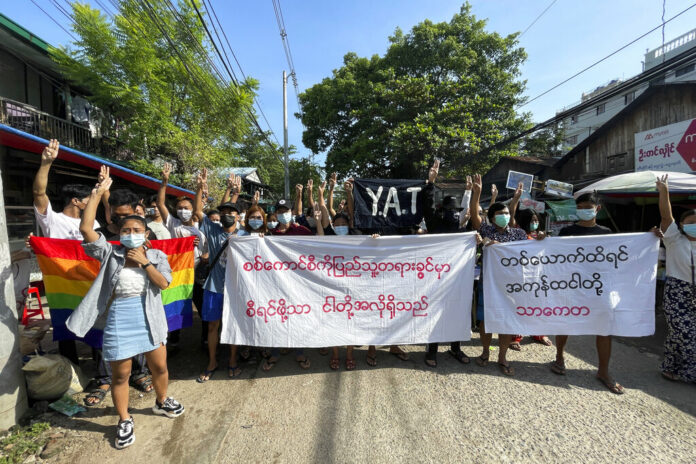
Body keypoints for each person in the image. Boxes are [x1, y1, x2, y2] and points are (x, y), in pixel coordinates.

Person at [67, 172, 184, 450]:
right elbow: (86, 230)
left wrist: (144, 263)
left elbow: (164, 283)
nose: (131, 235)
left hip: (150, 319)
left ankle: (161, 401)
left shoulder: (156, 256)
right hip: (119, 320)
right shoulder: (110, 253)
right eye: (126, 231)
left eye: (137, 231)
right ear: (119, 234)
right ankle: (124, 418)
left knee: (160, 367)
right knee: (120, 375)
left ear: (146, 233)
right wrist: (96, 194)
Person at [31, 140, 99, 371]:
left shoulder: (93, 222)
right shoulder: (52, 219)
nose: (93, 203)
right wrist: (46, 163)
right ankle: (71, 370)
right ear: (76, 201)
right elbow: (39, 192)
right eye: (89, 199)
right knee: (65, 323)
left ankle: (102, 372)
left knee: (95, 321)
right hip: (63, 281)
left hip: (91, 280)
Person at [550, 192, 624, 394]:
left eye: (588, 207)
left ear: (597, 209)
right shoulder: (566, 231)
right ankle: (559, 357)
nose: (584, 211)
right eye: (580, 207)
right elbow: (554, 255)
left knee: (604, 328)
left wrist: (651, 237)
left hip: (599, 288)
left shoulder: (606, 233)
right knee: (565, 322)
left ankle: (603, 371)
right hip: (572, 286)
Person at [88, 185, 156, 404]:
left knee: (140, 335)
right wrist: (98, 195)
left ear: (137, 211)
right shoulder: (104, 235)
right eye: (116, 217)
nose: (122, 223)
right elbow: (86, 233)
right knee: (106, 339)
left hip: (138, 298)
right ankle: (105, 378)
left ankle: (139, 372)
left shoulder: (146, 233)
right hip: (109, 299)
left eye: (126, 216)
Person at [470, 173, 528, 376]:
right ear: (493, 218)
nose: (505, 216)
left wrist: (542, 238)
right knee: (486, 321)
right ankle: (485, 352)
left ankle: (502, 357)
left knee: (506, 321)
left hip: (512, 285)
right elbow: (474, 216)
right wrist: (476, 194)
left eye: (506, 213)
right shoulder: (486, 231)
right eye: (500, 214)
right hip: (489, 284)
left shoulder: (518, 234)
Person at [194, 168, 245, 381]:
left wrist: (235, 192)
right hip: (214, 287)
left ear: (238, 216)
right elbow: (198, 212)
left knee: (233, 325)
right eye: (224, 212)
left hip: (236, 289)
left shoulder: (245, 235)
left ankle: (233, 360)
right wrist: (199, 188)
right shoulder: (213, 230)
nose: (227, 215)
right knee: (213, 326)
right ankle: (213, 361)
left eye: (231, 212)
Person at [422, 160, 471, 367]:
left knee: (457, 311)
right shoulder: (435, 225)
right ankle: (431, 350)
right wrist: (430, 183)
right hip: (435, 279)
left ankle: (455, 347)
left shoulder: (461, 231)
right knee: (434, 313)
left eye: (456, 210)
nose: (454, 212)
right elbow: (428, 205)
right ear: (443, 210)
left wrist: (468, 192)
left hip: (456, 278)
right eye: (450, 209)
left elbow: (468, 212)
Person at [158, 162, 209, 349]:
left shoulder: (201, 225)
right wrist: (164, 183)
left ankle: (205, 339)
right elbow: (160, 204)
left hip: (199, 271)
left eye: (186, 207)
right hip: (178, 272)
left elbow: (198, 210)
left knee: (203, 306)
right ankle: (174, 340)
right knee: (175, 304)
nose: (183, 210)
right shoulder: (173, 224)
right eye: (179, 207)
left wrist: (199, 187)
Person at [263, 197, 313, 371]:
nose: (283, 214)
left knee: (296, 316)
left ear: (292, 212)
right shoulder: (270, 235)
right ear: (276, 213)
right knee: (278, 317)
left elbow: (318, 246)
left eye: (286, 211)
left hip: (298, 283)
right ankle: (275, 352)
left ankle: (299, 351)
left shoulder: (303, 231)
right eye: (280, 211)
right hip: (276, 284)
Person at [654, 174, 696, 383]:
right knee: (687, 333)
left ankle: (670, 366)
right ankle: (690, 373)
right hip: (677, 293)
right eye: (691, 222)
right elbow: (665, 216)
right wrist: (664, 192)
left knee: (677, 335)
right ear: (681, 224)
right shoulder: (674, 240)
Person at [509, 209, 553, 349]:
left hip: (539, 277)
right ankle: (516, 337)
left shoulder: (539, 236)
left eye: (536, 220)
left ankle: (538, 333)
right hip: (521, 277)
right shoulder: (517, 235)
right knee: (520, 306)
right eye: (532, 220)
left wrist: (545, 239)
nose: (535, 223)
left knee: (538, 306)